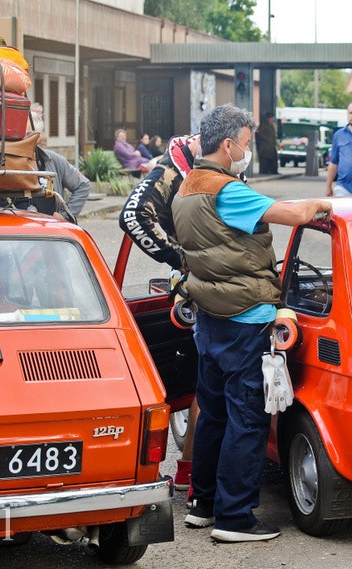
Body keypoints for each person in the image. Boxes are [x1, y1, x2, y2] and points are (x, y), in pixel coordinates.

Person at [173, 103, 331, 543]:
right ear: (227, 145)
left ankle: (202, 505)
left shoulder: (186, 187)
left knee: (214, 416)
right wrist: (324, 201)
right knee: (247, 419)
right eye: (245, 143)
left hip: (210, 318)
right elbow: (294, 214)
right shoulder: (227, 191)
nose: (247, 151)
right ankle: (235, 518)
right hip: (246, 319)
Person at [119, 133, 203, 493]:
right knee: (203, 381)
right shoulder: (172, 168)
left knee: (203, 380)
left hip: (217, 283)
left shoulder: (209, 166)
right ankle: (186, 470)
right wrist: (181, 259)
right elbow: (133, 216)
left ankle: (189, 468)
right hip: (195, 288)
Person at [11, 108, 90, 220]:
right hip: (13, 231)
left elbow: (83, 185)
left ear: (37, 138)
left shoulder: (53, 160)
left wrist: (65, 215)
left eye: (25, 135)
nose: (19, 140)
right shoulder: (2, 161)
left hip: (48, 231)